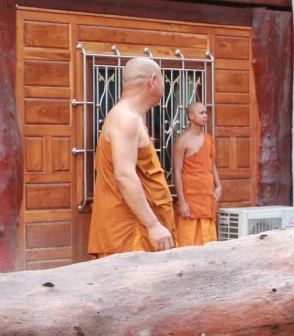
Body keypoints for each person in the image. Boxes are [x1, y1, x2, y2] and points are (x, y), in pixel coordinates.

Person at [86, 58, 176, 256]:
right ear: (153, 81)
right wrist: (152, 224)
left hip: (136, 230)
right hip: (130, 233)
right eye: (164, 80)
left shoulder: (129, 117)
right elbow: (124, 175)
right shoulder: (126, 118)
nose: (164, 86)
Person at [172, 102, 221, 247]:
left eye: (206, 112)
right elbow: (177, 171)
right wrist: (182, 201)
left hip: (206, 195)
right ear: (191, 116)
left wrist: (218, 185)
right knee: (188, 239)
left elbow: (211, 164)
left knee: (209, 240)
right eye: (201, 113)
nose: (205, 116)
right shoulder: (182, 141)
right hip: (191, 197)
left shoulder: (208, 139)